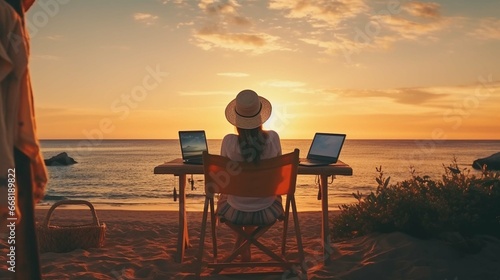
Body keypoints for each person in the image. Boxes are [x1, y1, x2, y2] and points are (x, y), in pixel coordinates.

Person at [217, 89, 283, 261]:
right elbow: (279, 169)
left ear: (237, 120)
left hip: (234, 208)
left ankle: (240, 246)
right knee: (258, 194)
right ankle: (243, 247)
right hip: (267, 207)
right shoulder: (273, 138)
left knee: (230, 196)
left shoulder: (229, 142)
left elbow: (222, 172)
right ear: (260, 118)